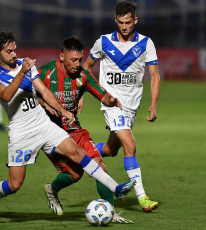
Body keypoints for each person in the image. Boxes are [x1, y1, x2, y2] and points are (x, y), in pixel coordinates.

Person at [0, 29, 136, 224]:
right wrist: (22, 72)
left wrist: (63, 111)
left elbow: (43, 90)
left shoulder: (26, 64)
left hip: (44, 124)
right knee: (14, 184)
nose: (15, 54)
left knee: (78, 154)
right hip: (21, 133)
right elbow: (6, 95)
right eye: (9, 51)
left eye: (15, 49)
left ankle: (115, 187)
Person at [38, 36, 133, 224]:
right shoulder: (46, 72)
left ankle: (111, 212)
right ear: (62, 56)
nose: (77, 64)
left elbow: (102, 95)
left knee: (98, 163)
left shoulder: (83, 76)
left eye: (80, 60)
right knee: (75, 174)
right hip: (50, 132)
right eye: (73, 60)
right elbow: (29, 94)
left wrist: (111, 100)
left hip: (75, 130)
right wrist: (43, 103)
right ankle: (52, 189)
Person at [83, 1, 160, 213]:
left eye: (128, 22)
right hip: (111, 104)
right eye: (120, 22)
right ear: (115, 20)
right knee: (130, 145)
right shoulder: (103, 42)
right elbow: (86, 69)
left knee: (111, 150)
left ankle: (77, 152)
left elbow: (154, 76)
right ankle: (142, 198)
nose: (124, 27)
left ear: (135, 20)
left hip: (131, 107)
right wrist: (86, 94)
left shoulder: (145, 44)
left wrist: (153, 104)